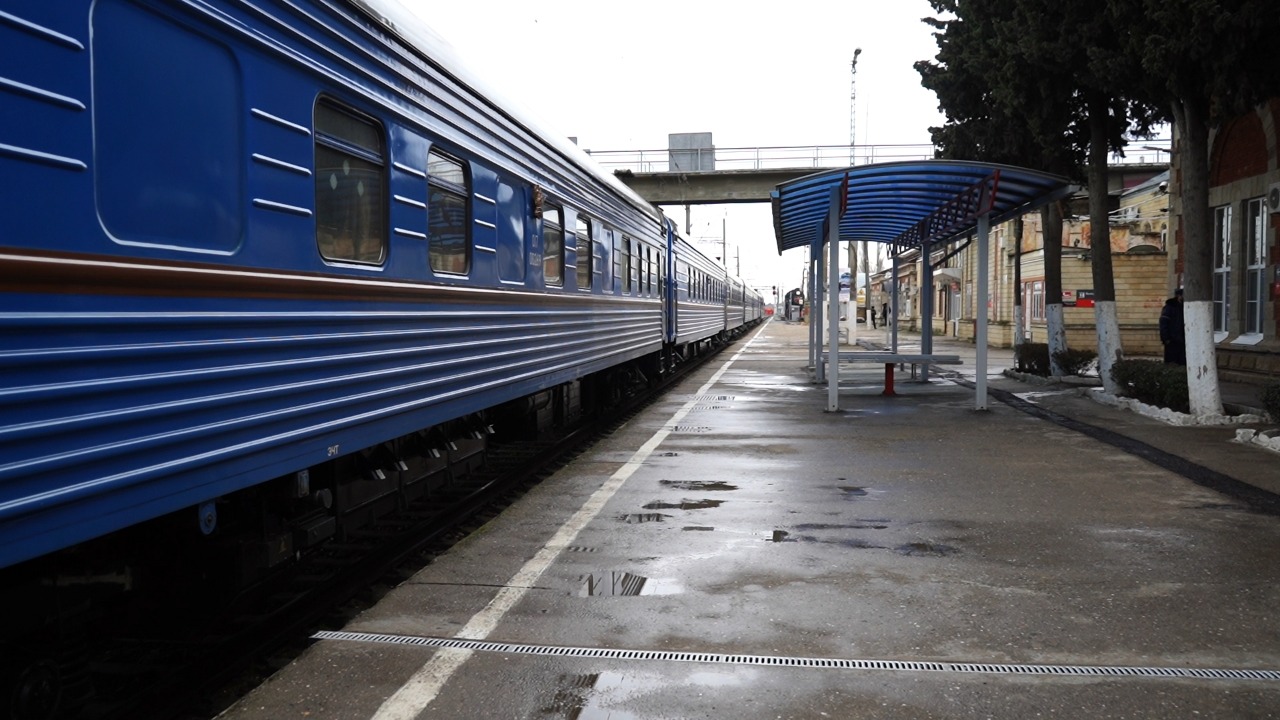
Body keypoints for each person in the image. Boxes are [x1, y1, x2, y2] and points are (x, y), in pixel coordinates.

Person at [1159, 289, 1185, 365]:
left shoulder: (1184, 307)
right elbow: (1163, 324)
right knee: (1171, 363)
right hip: (1172, 341)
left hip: (1182, 342)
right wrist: (1166, 339)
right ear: (1179, 296)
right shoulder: (1169, 308)